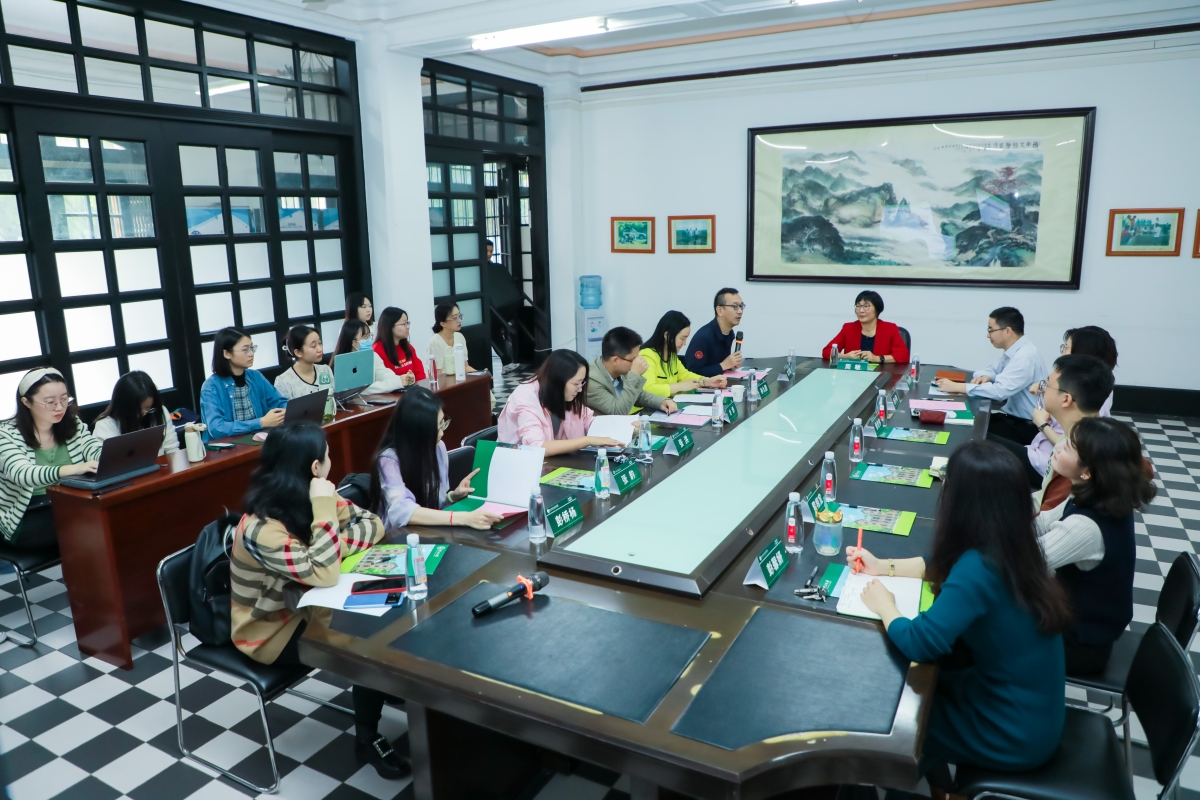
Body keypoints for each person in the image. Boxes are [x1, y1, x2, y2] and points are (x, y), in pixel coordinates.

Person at [847, 441, 1070, 778]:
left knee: (889, 715)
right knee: (921, 689)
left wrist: (885, 606)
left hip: (1011, 731)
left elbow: (920, 641)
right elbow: (941, 565)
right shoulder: (1014, 544)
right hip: (1028, 709)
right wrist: (883, 566)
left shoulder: (980, 567)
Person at [228, 423, 407, 779]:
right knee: (368, 644)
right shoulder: (260, 527)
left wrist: (326, 549)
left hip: (309, 605)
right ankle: (367, 737)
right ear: (315, 467)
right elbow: (325, 574)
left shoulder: (310, 495)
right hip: (270, 630)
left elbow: (372, 522)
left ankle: (380, 686)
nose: (330, 462)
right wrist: (325, 515)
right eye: (327, 456)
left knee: (388, 617)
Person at [1036, 417, 1156, 675]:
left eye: (1069, 446)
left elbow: (1025, 561)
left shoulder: (1085, 527)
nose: (1059, 445)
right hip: (1075, 621)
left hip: (1080, 645)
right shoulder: (1096, 494)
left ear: (1088, 471)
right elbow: (1039, 524)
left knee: (984, 629)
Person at [369, 387, 503, 530]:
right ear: (415, 430)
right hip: (400, 535)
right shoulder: (388, 460)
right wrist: (464, 518)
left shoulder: (438, 447)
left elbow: (436, 505)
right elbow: (402, 512)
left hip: (432, 529)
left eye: (442, 424)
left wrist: (452, 496)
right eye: (434, 428)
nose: (441, 433)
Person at [0, 369, 101, 550]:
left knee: (103, 516)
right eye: (50, 402)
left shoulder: (72, 424)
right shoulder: (6, 435)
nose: (60, 407)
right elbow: (22, 474)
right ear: (26, 402)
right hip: (26, 514)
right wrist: (72, 469)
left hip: (69, 502)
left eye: (64, 399)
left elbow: (92, 447)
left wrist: (108, 457)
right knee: (92, 523)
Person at [935, 307, 1047, 446]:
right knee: (968, 421)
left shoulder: (1024, 357)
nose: (988, 335)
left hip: (1025, 427)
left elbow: (999, 391)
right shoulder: (1015, 351)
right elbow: (992, 370)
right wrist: (986, 377)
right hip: (1013, 419)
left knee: (967, 431)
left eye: (991, 330)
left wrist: (958, 387)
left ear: (1007, 331)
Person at [1023, 326, 1117, 479]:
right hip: (1042, 447)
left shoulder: (1093, 400)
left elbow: (1073, 449)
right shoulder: (1090, 385)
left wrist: (1042, 425)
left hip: (1046, 461)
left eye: (1066, 348)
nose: (1062, 352)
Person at [497, 349, 622, 456]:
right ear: (558, 380)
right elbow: (537, 447)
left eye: (582, 382)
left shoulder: (563, 393)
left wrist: (626, 426)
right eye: (576, 384)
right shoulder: (525, 398)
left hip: (556, 462)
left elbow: (589, 421)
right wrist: (587, 440)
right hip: (519, 466)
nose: (580, 389)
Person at [1029, 355, 1114, 508]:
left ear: (1066, 399)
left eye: (1047, 385)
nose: (1042, 389)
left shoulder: (1075, 462)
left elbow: (1048, 512)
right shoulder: (1084, 436)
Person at [200, 328, 288, 442]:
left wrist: (287, 411)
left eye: (252, 348)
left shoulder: (255, 376)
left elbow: (279, 402)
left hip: (257, 440)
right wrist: (260, 422)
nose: (251, 354)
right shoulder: (211, 386)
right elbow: (216, 428)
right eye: (245, 350)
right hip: (225, 447)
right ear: (227, 354)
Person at [586, 327, 677, 416]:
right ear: (615, 360)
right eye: (633, 359)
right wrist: (635, 375)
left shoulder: (621, 370)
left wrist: (661, 401)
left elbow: (637, 395)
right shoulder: (591, 381)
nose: (637, 362)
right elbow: (618, 412)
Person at [640, 311, 728, 399]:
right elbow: (648, 389)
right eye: (682, 338)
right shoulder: (647, 356)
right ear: (667, 335)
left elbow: (684, 375)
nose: (684, 343)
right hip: (649, 407)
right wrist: (680, 386)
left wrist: (707, 381)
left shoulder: (671, 355)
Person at [93, 370, 180, 455]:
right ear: (123, 406)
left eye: (148, 408)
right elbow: (104, 462)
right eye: (138, 411)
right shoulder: (105, 426)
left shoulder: (159, 412)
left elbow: (172, 449)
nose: (144, 414)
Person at [820, 290, 910, 364]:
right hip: (852, 375)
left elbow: (903, 355)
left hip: (881, 375)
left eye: (866, 306)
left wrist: (877, 358)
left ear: (877, 309)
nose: (861, 310)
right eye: (858, 306)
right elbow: (827, 351)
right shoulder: (848, 328)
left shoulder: (890, 329)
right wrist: (845, 356)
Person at [333, 319, 408, 396]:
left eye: (369, 336)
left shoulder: (373, 355)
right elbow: (362, 389)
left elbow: (384, 373)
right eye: (365, 337)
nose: (369, 340)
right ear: (353, 342)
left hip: (374, 399)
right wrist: (397, 382)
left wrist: (403, 379)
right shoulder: (343, 363)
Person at [682, 288, 745, 377]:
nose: (740, 311)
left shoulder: (729, 333)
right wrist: (723, 365)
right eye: (735, 306)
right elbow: (691, 372)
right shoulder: (703, 338)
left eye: (741, 306)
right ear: (720, 310)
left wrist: (730, 365)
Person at [273, 325, 334, 400]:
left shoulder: (325, 370)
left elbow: (333, 401)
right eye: (313, 346)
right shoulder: (283, 381)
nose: (319, 349)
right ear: (298, 352)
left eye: (320, 343)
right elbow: (284, 407)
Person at [427, 302, 480, 378]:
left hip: (460, 380)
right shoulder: (435, 342)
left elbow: (465, 366)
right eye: (455, 318)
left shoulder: (460, 337)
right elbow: (438, 374)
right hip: (444, 382)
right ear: (443, 323)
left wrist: (481, 375)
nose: (459, 320)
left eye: (459, 316)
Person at [373, 307, 423, 386]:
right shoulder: (377, 351)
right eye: (404, 324)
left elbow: (419, 373)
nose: (408, 327)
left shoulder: (408, 346)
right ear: (390, 326)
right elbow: (383, 380)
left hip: (413, 390)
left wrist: (417, 384)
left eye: (407, 323)